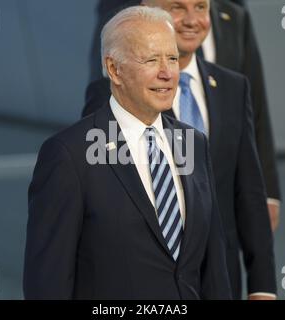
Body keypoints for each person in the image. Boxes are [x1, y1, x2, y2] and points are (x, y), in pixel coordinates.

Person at [23, 6, 231, 299]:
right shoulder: (69, 155)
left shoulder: (193, 143)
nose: (167, 73)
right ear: (114, 69)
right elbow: (47, 282)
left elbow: (214, 267)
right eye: (151, 59)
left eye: (172, 58)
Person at [83, 0, 277, 300]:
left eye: (201, 7)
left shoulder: (232, 88)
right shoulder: (108, 95)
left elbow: (248, 192)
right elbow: (98, 202)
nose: (192, 20)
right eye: (177, 7)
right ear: (148, 9)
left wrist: (263, 288)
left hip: (220, 281)